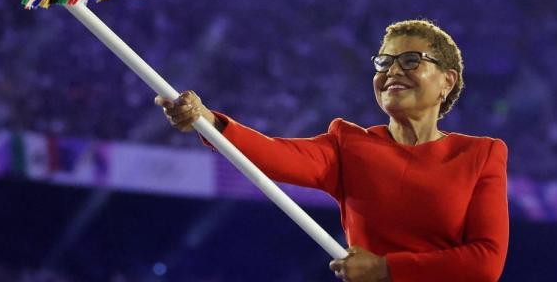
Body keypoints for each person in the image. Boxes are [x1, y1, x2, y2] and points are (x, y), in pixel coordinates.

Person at [156, 19, 508, 282]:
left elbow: (486, 261)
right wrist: (209, 122)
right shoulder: (350, 145)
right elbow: (273, 154)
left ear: (447, 80)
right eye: (383, 62)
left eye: (412, 60)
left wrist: (385, 268)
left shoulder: (481, 155)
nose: (392, 70)